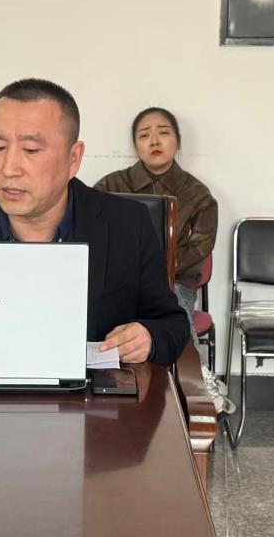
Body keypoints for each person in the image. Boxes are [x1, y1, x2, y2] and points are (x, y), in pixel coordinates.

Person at [0, 79, 189, 365]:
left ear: (73, 159)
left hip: (90, 391)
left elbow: (171, 324)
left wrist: (147, 337)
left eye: (30, 150)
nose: (9, 168)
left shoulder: (126, 224)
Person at [95, 107, 231, 413]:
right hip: (116, 281)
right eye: (144, 135)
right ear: (136, 145)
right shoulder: (109, 187)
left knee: (173, 304)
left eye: (163, 133)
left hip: (176, 281)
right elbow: (95, 237)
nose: (154, 140)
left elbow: (199, 249)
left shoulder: (198, 195)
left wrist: (154, 274)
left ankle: (197, 381)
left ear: (177, 141)